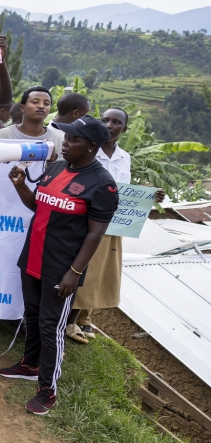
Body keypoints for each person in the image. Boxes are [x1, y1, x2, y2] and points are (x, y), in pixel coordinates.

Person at [0, 116, 119, 415]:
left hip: (62, 269)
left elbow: (95, 233)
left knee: (51, 327)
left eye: (73, 140)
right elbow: (37, 205)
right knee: (33, 315)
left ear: (91, 146)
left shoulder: (102, 184)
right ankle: (30, 365)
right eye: (65, 138)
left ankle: (47, 390)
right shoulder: (56, 168)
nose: (64, 144)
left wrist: (74, 273)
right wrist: (19, 186)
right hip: (33, 257)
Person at [64, 108, 165, 344]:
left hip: (113, 223)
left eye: (116, 122)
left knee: (99, 271)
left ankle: (84, 318)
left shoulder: (125, 157)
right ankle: (70, 319)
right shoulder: (88, 151)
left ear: (125, 129)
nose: (110, 125)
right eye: (105, 120)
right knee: (83, 267)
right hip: (86, 220)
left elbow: (125, 190)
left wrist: (151, 196)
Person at [0, 87, 65, 167]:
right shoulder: (2, 136)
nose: (41, 106)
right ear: (22, 108)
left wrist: (53, 159)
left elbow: (63, 172)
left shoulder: (59, 140)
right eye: (35, 102)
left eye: (46, 104)